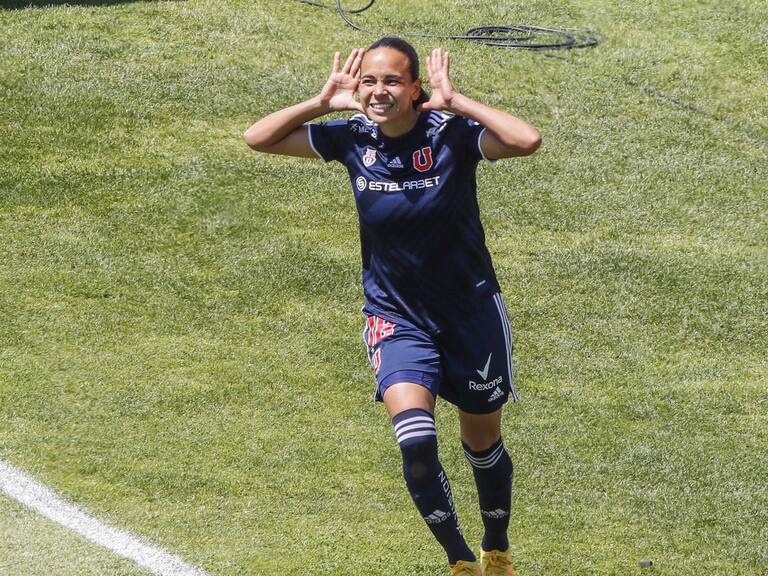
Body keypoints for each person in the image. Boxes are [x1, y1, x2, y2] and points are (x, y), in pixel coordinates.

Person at [244, 37, 540, 576]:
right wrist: (321, 102)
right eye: (369, 81)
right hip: (396, 318)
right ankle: (461, 560)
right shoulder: (352, 138)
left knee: (482, 442)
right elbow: (257, 138)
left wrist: (457, 100)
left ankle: (496, 545)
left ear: (415, 87)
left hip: (471, 314)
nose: (379, 91)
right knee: (416, 444)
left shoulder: (450, 134)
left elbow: (526, 140)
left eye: (392, 81)